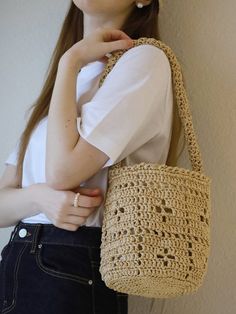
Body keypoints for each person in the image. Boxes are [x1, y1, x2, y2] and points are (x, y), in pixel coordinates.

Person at [0, 0, 183, 313]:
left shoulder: (144, 61)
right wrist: (38, 199)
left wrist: (69, 61)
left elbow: (62, 172)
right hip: (17, 261)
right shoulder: (69, 82)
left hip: (72, 268)